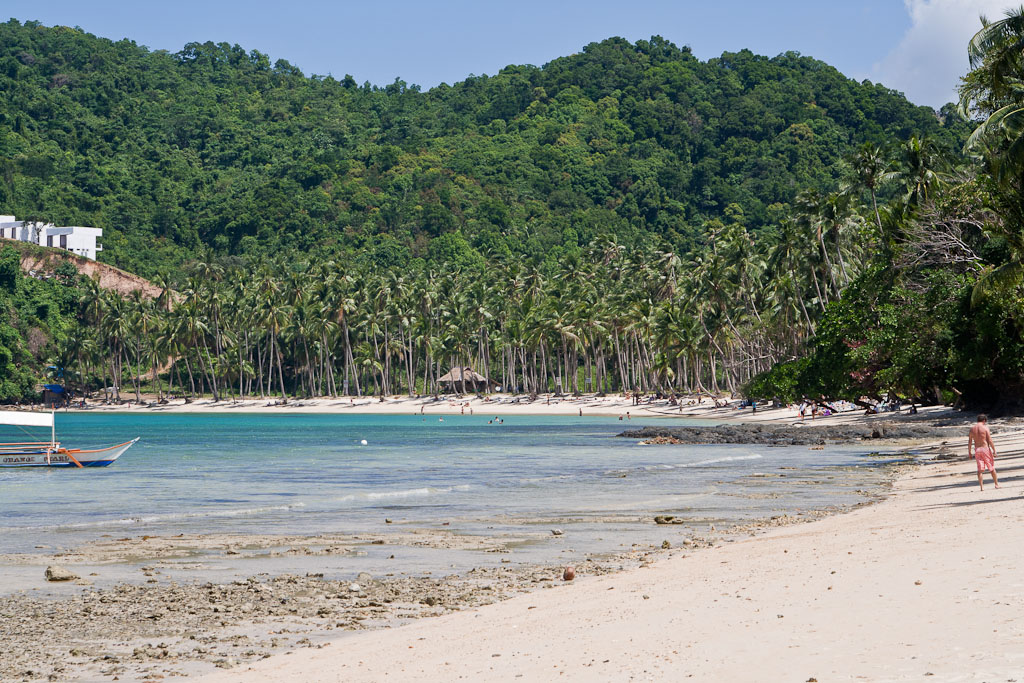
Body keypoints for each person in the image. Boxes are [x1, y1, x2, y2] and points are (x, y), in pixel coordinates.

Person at [968, 414, 1000, 491]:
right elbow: (989, 440)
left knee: (980, 469)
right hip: (985, 448)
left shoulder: (972, 429)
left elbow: (969, 442)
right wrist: (994, 450)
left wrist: (969, 452)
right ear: (984, 420)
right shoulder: (985, 428)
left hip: (977, 449)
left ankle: (981, 487)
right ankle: (996, 484)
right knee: (991, 467)